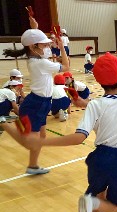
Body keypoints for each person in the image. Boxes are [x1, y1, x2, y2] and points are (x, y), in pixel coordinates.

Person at [22, 52, 117, 212]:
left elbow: (79, 137)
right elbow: (113, 104)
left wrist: (42, 141)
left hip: (99, 159)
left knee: (97, 196)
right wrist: (84, 103)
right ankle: (90, 206)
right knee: (114, 207)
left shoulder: (95, 105)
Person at [1, 28, 70, 174]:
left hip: (43, 103)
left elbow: (34, 37)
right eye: (44, 45)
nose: (47, 48)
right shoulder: (40, 63)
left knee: (41, 137)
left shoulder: (36, 60)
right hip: (35, 105)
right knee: (30, 143)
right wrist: (62, 47)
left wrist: (35, 25)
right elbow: (66, 66)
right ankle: (3, 123)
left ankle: (32, 166)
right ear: (33, 47)